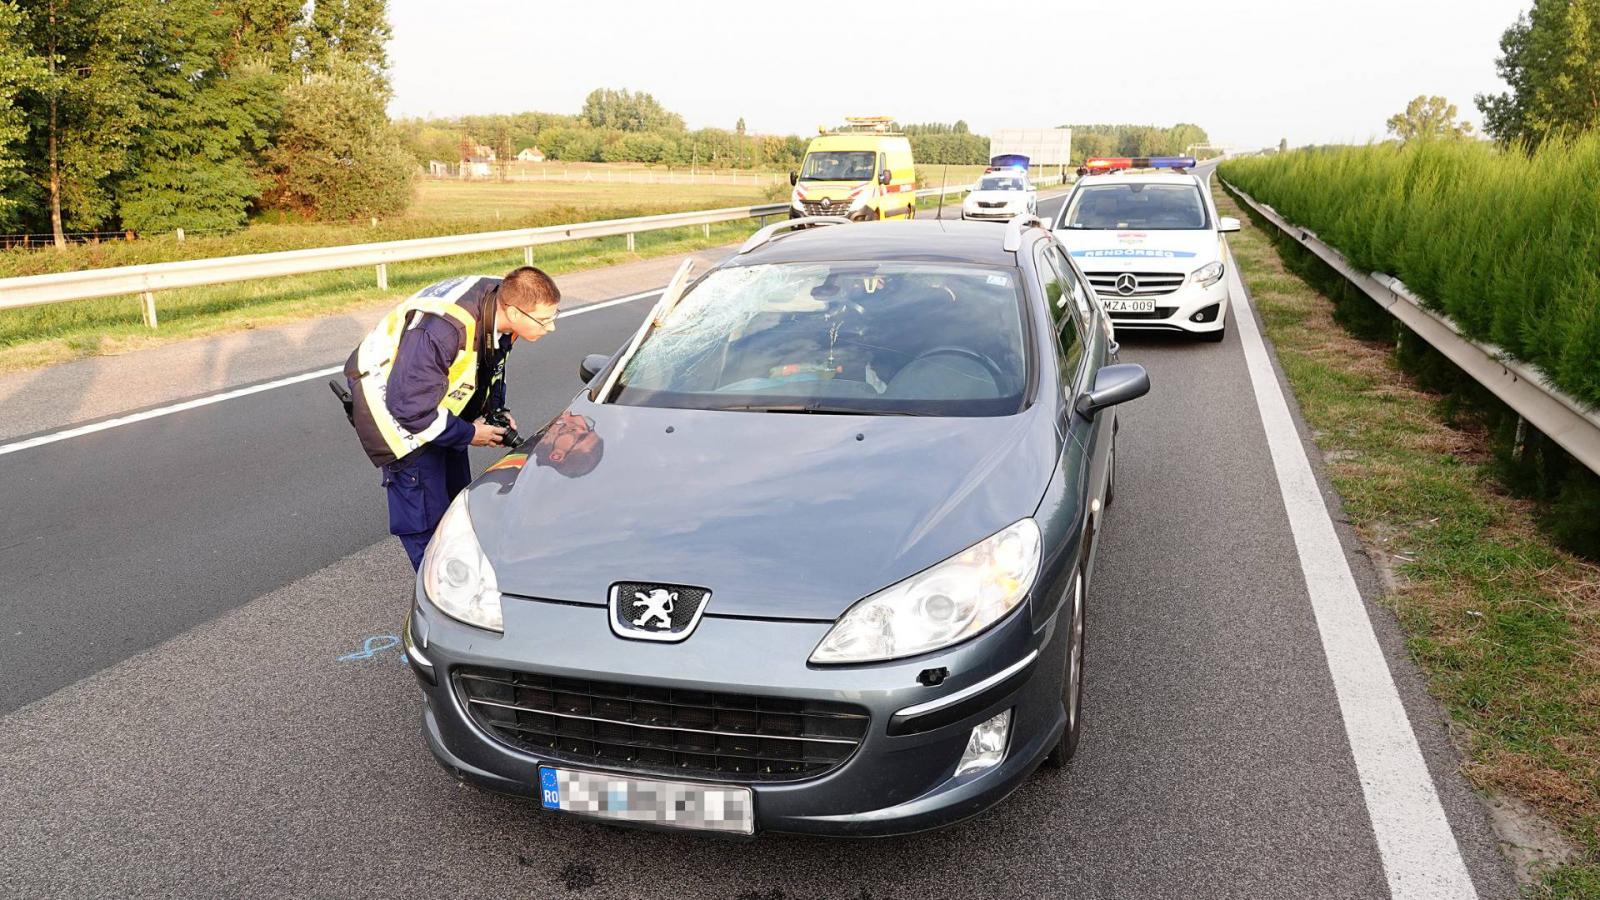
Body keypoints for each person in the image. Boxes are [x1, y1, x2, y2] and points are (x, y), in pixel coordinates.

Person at [342, 266, 561, 569]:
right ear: (513, 311)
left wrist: (493, 409)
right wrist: (471, 433)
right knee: (427, 522)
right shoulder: (442, 330)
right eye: (545, 320)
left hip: (431, 404)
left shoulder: (500, 303)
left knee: (456, 505)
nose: (551, 327)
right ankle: (440, 599)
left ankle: (465, 574)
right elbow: (408, 408)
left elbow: (491, 360)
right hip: (395, 414)